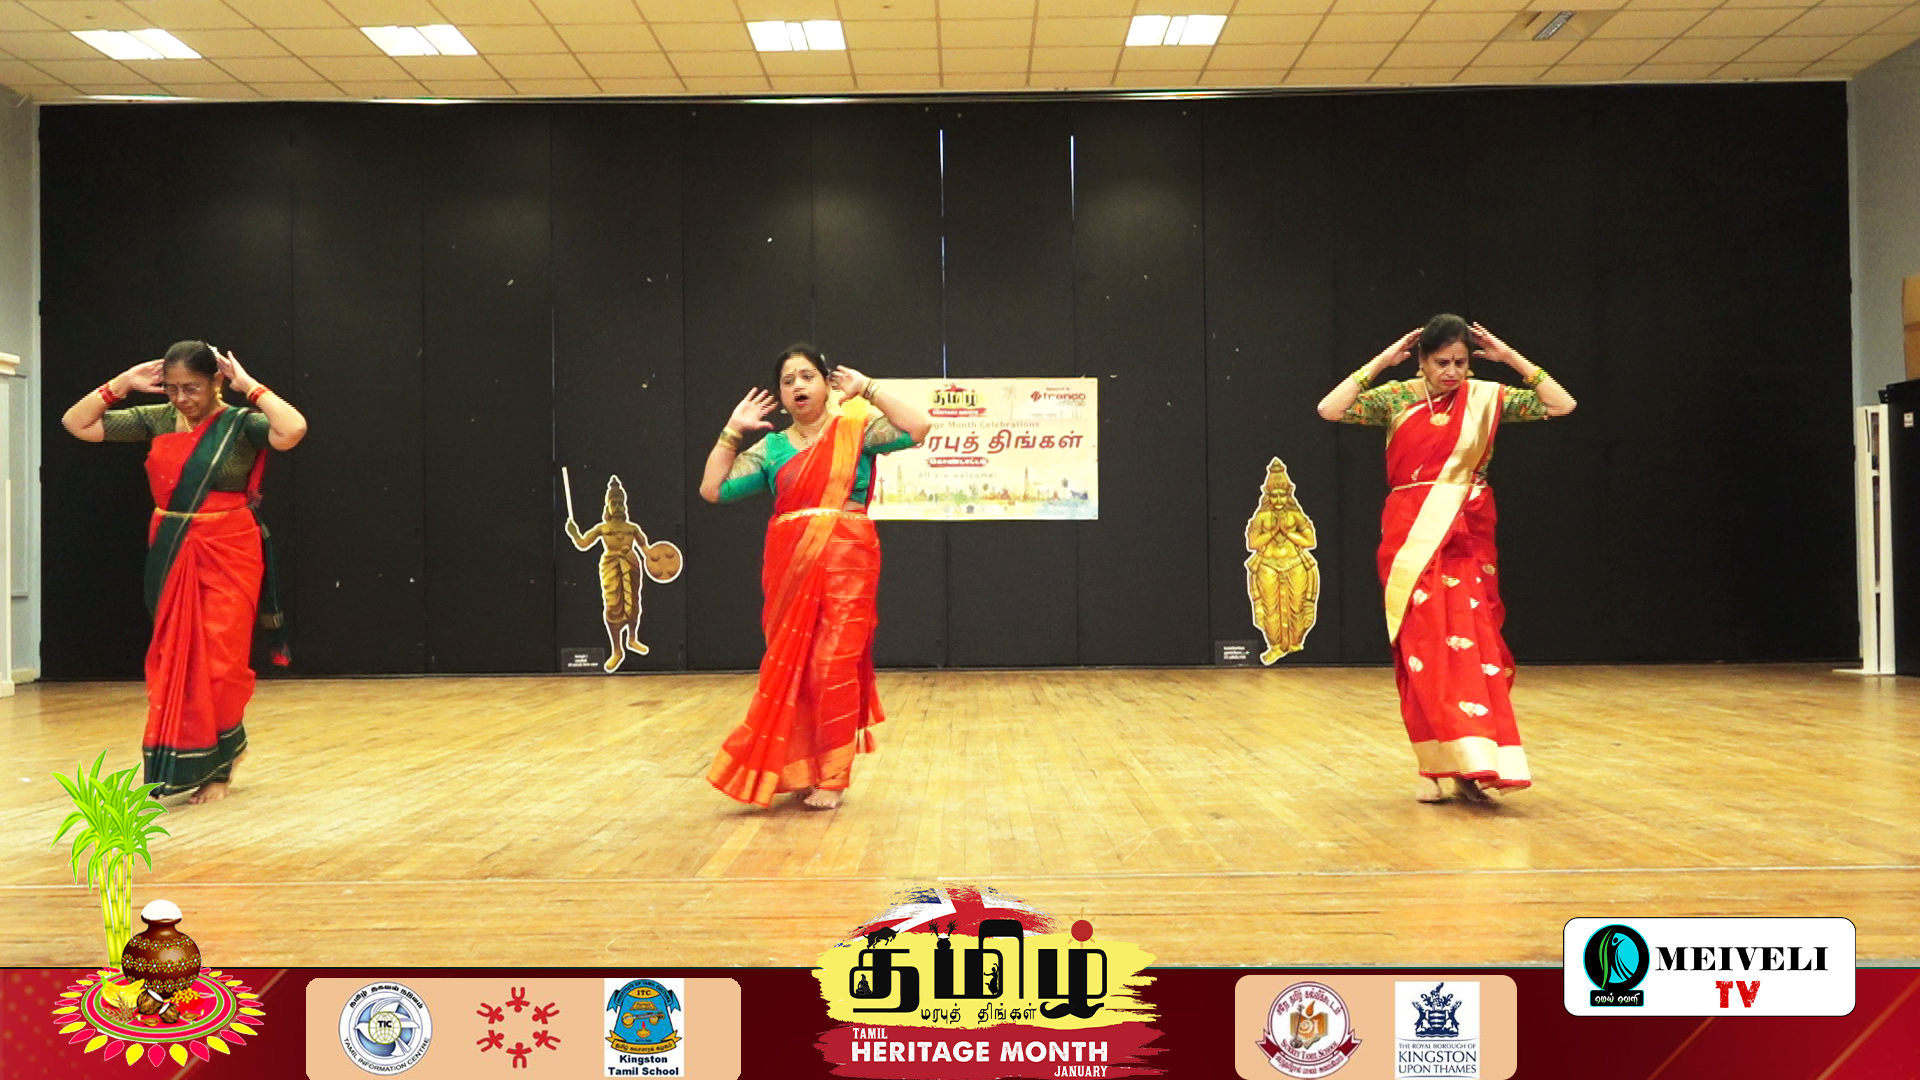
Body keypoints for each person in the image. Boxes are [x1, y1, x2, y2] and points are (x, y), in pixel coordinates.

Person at [1316, 315, 1575, 803]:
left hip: (1467, 536)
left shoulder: (1487, 398)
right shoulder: (1398, 399)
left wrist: (1510, 358)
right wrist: (1381, 363)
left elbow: (1562, 404)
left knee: (1476, 648)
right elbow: (1330, 409)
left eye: (1460, 362)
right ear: (1421, 361)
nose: (1452, 372)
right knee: (1424, 648)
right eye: (1441, 363)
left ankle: (1476, 758)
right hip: (1412, 538)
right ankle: (1433, 765)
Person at [61, 341, 308, 803]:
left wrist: (249, 386)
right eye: (172, 388)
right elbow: (77, 423)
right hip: (173, 548)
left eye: (191, 388)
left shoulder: (241, 425)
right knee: (174, 658)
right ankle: (187, 761)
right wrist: (121, 384)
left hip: (229, 549)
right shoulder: (157, 419)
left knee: (221, 662)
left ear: (215, 381)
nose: (181, 398)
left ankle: (222, 766)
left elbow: (292, 428)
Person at [700, 345, 931, 809]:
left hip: (849, 562)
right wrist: (732, 430)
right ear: (781, 396)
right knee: (797, 669)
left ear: (827, 384)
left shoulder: (856, 430)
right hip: (790, 567)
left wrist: (868, 389)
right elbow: (713, 489)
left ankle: (832, 777)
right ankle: (802, 770)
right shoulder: (771, 449)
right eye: (788, 381)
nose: (798, 386)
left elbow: (918, 427)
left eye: (807, 376)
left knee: (832, 665)